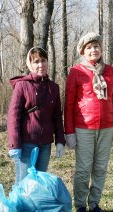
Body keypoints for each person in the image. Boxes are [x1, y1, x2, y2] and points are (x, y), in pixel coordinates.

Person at [64, 32, 113, 212]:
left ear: (101, 48)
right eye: (89, 47)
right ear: (83, 51)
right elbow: (69, 104)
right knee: (83, 169)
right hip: (84, 127)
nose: (93, 50)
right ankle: (80, 205)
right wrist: (69, 132)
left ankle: (95, 204)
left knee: (100, 168)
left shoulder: (110, 71)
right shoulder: (76, 72)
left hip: (107, 127)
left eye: (96, 46)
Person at [7, 47, 66, 184]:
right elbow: (13, 116)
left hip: (45, 144)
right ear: (30, 65)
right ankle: (20, 206)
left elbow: (57, 116)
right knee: (24, 183)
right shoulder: (22, 85)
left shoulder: (54, 88)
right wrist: (14, 144)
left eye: (43, 60)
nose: (41, 65)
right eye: (36, 61)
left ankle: (35, 206)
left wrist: (60, 141)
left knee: (38, 182)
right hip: (27, 143)